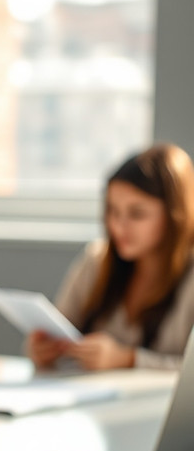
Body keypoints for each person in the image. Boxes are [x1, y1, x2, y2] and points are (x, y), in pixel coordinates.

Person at [29, 143, 194, 372]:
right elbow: (59, 328)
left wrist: (128, 359)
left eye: (137, 214)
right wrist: (43, 350)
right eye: (112, 211)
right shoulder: (96, 260)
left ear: (176, 215)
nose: (118, 226)